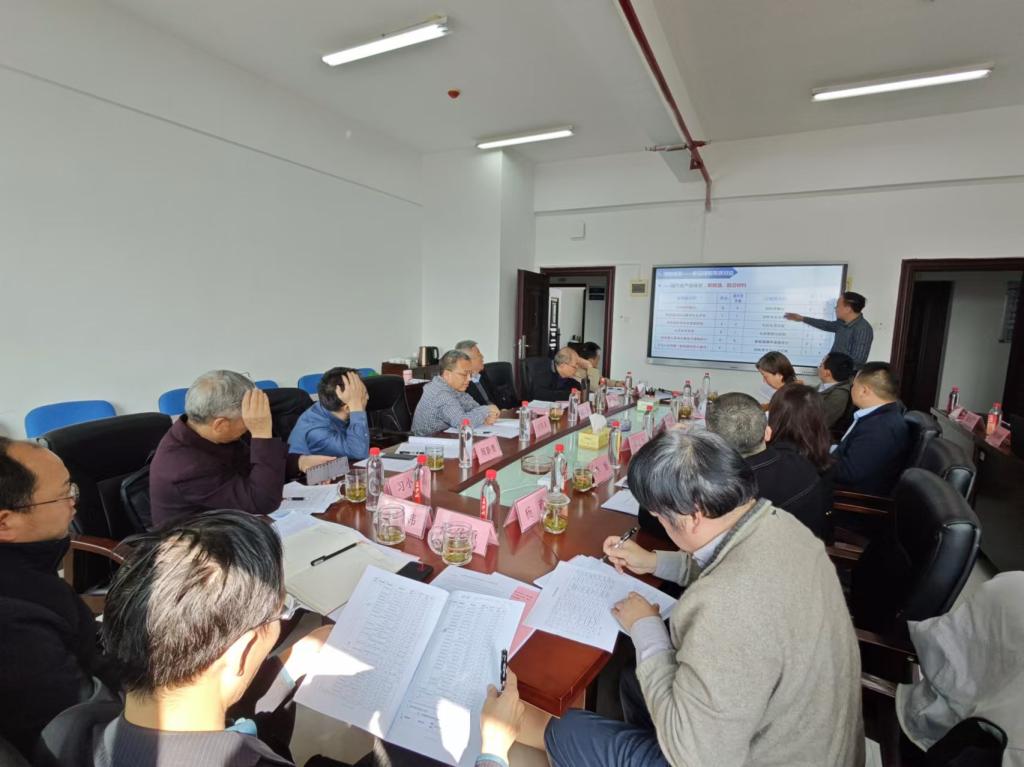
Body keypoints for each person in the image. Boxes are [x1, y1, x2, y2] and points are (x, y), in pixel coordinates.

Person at [36, 509, 523, 767]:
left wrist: (288, 669)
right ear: (240, 652)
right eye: (278, 616)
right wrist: (493, 752)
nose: (281, 626)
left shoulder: (69, 729)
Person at [545, 430, 863, 767]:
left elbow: (695, 755)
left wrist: (646, 626)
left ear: (693, 516)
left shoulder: (724, 607)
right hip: (816, 737)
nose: (659, 522)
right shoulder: (781, 525)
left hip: (744, 755)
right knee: (632, 678)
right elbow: (728, 561)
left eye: (659, 516)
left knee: (564, 730)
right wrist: (653, 561)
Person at [0, 438, 118, 757]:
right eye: (65, 493)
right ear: (5, 523)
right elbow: (82, 730)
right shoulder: (13, 623)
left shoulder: (25, 568)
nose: (74, 503)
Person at [149, 371, 330, 528]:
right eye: (248, 420)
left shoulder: (212, 432)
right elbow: (262, 501)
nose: (250, 426)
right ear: (220, 424)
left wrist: (301, 462)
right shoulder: (185, 466)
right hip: (198, 544)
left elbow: (253, 463)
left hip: (235, 524)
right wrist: (262, 432)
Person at [704, 391, 832, 540]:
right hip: (810, 547)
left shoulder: (722, 490)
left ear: (713, 443)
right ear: (768, 433)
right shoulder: (802, 462)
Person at [833, 362, 911, 495]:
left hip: (848, 497)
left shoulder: (881, 427)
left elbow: (848, 473)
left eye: (854, 385)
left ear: (864, 391)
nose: (852, 389)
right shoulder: (880, 416)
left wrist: (816, 460)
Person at [287, 368, 370, 461]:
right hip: (312, 471)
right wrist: (357, 409)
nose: (368, 397)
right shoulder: (317, 432)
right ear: (347, 408)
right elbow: (359, 454)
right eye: (363, 395)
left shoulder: (331, 406)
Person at [411, 350, 499, 436]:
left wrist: (486, 416)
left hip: (445, 436)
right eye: (464, 374)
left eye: (470, 374)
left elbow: (474, 407)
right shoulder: (441, 393)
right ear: (447, 375)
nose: (469, 379)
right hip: (426, 442)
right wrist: (486, 410)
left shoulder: (454, 388)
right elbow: (462, 424)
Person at [785, 291, 874, 367]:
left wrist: (836, 366)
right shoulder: (841, 323)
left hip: (846, 377)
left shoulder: (863, 329)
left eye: (838, 306)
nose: (835, 309)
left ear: (848, 309)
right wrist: (802, 318)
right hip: (834, 373)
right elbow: (826, 325)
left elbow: (858, 361)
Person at [817, 351, 856, 440]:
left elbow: (821, 423)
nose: (818, 367)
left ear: (827, 373)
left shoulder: (839, 395)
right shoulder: (826, 385)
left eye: (821, 365)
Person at [455, 340, 499, 407]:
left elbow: (495, 398)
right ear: (468, 361)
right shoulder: (461, 384)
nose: (482, 356)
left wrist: (502, 409)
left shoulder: (482, 374)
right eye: (479, 354)